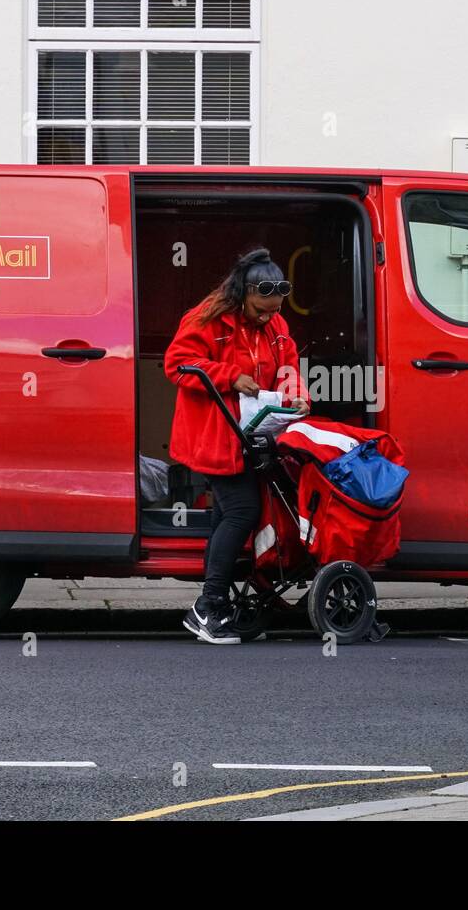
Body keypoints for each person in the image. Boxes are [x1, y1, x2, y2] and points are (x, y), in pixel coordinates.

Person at [164, 248, 310, 644]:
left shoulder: (275, 322)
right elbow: (177, 363)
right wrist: (230, 377)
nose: (267, 317)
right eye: (260, 310)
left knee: (225, 518)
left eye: (273, 310)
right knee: (242, 512)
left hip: (249, 436)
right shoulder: (206, 317)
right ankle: (208, 607)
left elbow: (288, 368)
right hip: (214, 436)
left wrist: (296, 393)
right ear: (242, 294)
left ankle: (213, 606)